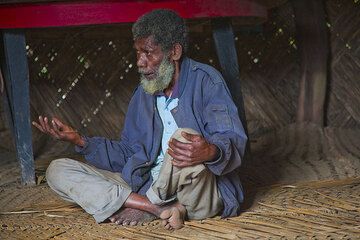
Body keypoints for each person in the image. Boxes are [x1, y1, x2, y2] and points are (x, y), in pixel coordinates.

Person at [32, 9, 247, 230]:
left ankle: (147, 202)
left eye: (148, 53)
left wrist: (210, 152)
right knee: (57, 170)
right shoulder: (144, 93)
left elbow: (232, 140)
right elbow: (129, 152)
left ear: (174, 51)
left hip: (196, 191)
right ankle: (157, 208)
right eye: (137, 53)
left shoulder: (207, 82)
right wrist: (80, 141)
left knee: (185, 137)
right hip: (146, 183)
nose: (140, 62)